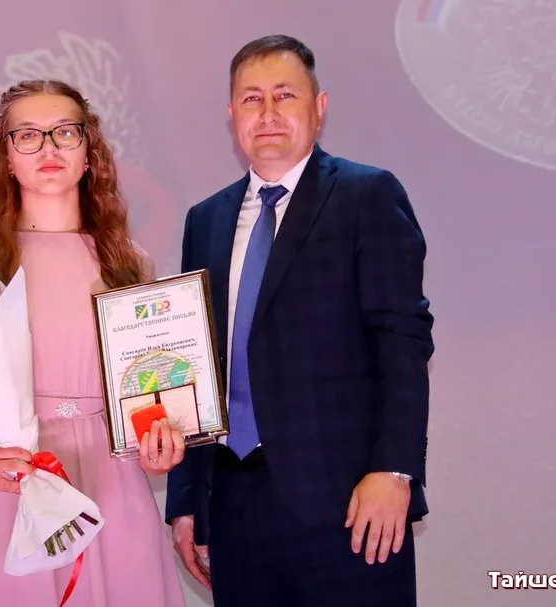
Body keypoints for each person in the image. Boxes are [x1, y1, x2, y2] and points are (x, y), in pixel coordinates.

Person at [165, 35, 435, 606]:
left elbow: (403, 342)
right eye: (251, 98)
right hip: (234, 510)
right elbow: (193, 367)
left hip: (351, 505)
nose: (267, 113)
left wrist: (394, 470)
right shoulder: (204, 220)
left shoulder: (367, 195)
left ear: (320, 106)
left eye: (284, 95)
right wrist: (187, 499)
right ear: (231, 113)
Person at [0, 79, 188, 607]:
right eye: (28, 135)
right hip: (9, 487)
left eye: (65, 132)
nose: (48, 147)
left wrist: (159, 447)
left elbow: (151, 396)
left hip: (113, 488)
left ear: (89, 153)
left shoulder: (131, 263)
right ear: (6, 158)